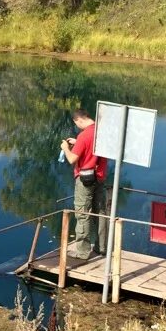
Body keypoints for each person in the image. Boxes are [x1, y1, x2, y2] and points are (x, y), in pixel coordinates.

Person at [60, 109, 108, 260]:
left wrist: (66, 148)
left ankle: (82, 252)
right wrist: (78, 143)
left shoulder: (84, 135)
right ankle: (102, 248)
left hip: (85, 180)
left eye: (76, 124)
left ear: (78, 120)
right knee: (100, 212)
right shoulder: (101, 131)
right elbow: (91, 147)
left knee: (83, 213)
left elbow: (72, 159)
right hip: (99, 177)